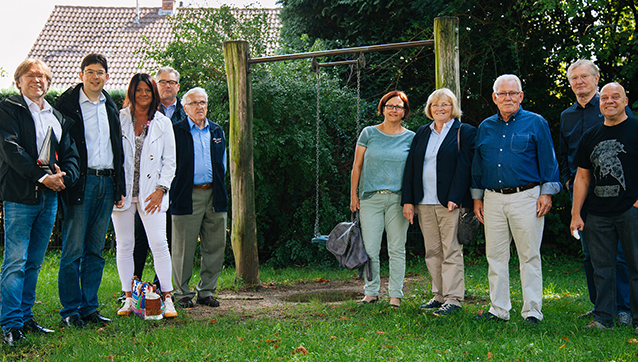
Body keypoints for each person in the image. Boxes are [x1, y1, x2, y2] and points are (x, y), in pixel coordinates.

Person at [0, 59, 79, 345]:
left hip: (50, 197)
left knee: (33, 262)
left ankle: (24, 318)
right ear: (19, 81)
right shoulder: (9, 109)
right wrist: (40, 177)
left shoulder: (55, 115)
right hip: (20, 196)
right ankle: (10, 324)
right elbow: (11, 149)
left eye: (43, 77)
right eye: (31, 75)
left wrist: (66, 176)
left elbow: (70, 152)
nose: (38, 80)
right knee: (15, 261)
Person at [471, 74, 561, 324]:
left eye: (513, 93)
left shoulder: (536, 122)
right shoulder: (485, 126)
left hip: (527, 197)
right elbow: (478, 165)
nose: (508, 97)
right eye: (503, 93)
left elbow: (549, 160)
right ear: (494, 98)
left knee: (529, 255)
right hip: (493, 199)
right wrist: (477, 198)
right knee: (495, 256)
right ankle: (498, 309)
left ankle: (532, 310)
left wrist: (546, 192)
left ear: (521, 96)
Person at [559, 59, 633, 324]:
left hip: (616, 194)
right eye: (574, 78)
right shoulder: (566, 116)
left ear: (596, 78)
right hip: (581, 194)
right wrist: (568, 181)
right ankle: (600, 306)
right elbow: (564, 154)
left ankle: (623, 307)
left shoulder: (611, 106)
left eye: (584, 77)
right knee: (592, 255)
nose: (579, 82)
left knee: (620, 254)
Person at [55, 53, 125, 328]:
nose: (96, 77)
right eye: (90, 72)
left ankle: (89, 308)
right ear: (81, 74)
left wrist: (118, 185)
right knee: (72, 250)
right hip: (80, 183)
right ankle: (70, 310)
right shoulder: (67, 105)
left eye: (101, 72)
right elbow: (57, 144)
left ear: (107, 76)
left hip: (106, 183)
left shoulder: (110, 106)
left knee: (95, 251)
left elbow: (117, 150)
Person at [402, 88, 476, 316]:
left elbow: (465, 168)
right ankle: (439, 295)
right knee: (432, 251)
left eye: (445, 104)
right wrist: (409, 201)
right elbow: (412, 167)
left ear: (452, 107)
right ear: (429, 109)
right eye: (435, 105)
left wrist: (455, 196)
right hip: (424, 201)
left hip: (450, 203)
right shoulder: (423, 132)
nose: (440, 109)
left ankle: (454, 299)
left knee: (451, 250)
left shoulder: (464, 131)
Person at [111, 73, 177, 318]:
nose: (143, 94)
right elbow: (113, 157)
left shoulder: (162, 123)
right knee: (125, 245)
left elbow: (170, 162)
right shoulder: (119, 119)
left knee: (160, 244)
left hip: (152, 195)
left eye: (148, 90)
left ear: (154, 94)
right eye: (138, 90)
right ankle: (128, 298)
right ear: (131, 92)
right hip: (123, 194)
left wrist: (161, 189)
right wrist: (115, 188)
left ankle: (167, 297)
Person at [350, 90, 415, 308]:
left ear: (404, 112)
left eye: (399, 107)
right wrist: (354, 195)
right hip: (370, 199)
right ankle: (371, 292)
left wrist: (410, 201)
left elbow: (414, 173)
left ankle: (395, 295)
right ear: (383, 108)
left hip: (398, 201)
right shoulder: (368, 133)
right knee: (370, 248)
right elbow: (357, 166)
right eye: (390, 105)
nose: (394, 110)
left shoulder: (411, 138)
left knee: (397, 249)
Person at [170, 87, 228, 309]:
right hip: (187, 194)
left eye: (203, 102)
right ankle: (183, 293)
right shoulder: (176, 131)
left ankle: (206, 292)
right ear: (185, 108)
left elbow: (222, 163)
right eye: (194, 103)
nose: (200, 107)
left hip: (215, 194)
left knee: (215, 245)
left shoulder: (216, 131)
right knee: (183, 247)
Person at [130, 66, 186, 294]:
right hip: (147, 187)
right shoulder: (144, 111)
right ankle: (133, 285)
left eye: (171, 82)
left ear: (177, 86)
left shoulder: (187, 110)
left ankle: (157, 286)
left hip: (176, 184)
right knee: (138, 238)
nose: (167, 86)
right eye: (162, 82)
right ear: (156, 86)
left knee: (166, 240)